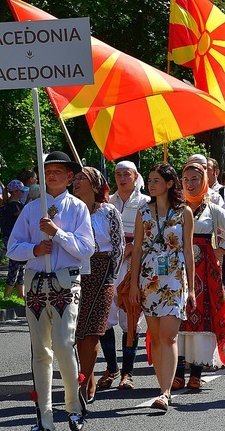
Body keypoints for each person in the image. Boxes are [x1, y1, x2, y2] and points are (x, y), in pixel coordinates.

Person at [6, 151, 95, 431]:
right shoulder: (32, 209)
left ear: (70, 177)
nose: (52, 175)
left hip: (65, 281)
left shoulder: (78, 208)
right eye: (48, 171)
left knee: (63, 343)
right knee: (40, 351)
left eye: (58, 171)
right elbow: (12, 247)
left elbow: (86, 249)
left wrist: (58, 233)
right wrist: (34, 248)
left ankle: (74, 407)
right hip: (35, 283)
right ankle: (44, 416)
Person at [173, 162, 225, 390]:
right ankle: (176, 371)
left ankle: (196, 371)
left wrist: (221, 250)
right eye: (186, 179)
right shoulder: (174, 208)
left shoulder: (212, 210)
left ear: (204, 181)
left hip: (205, 271)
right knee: (178, 316)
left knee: (201, 316)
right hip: (177, 268)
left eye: (195, 178)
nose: (190, 183)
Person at [128, 163, 195, 412]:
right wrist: (134, 284)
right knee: (155, 337)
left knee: (169, 335)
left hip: (175, 277)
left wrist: (191, 288)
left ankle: (166, 393)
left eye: (156, 180)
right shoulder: (143, 212)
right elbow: (136, 250)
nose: (151, 184)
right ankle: (161, 386)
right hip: (149, 278)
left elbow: (188, 251)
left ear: (169, 184)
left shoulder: (184, 212)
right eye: (149, 180)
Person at [73, 166, 124, 407]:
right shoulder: (71, 210)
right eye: (75, 178)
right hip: (75, 271)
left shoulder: (109, 211)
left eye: (81, 178)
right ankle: (88, 375)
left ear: (95, 184)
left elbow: (118, 245)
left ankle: (83, 383)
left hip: (102, 271)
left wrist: (111, 275)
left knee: (93, 329)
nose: (76, 182)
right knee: (78, 331)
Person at [98, 160, 150, 392]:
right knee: (105, 319)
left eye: (126, 174)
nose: (122, 178)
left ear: (135, 176)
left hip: (133, 269)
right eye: (118, 174)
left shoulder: (147, 203)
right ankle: (112, 367)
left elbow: (155, 236)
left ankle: (128, 373)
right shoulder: (106, 203)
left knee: (131, 320)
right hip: (109, 267)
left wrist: (134, 247)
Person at [1, 180, 27, 298]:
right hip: (12, 239)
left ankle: (20, 294)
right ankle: (7, 294)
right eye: (21, 191)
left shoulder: (19, 205)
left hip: (19, 239)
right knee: (14, 265)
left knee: (22, 267)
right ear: (15, 192)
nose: (23, 193)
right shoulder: (11, 207)